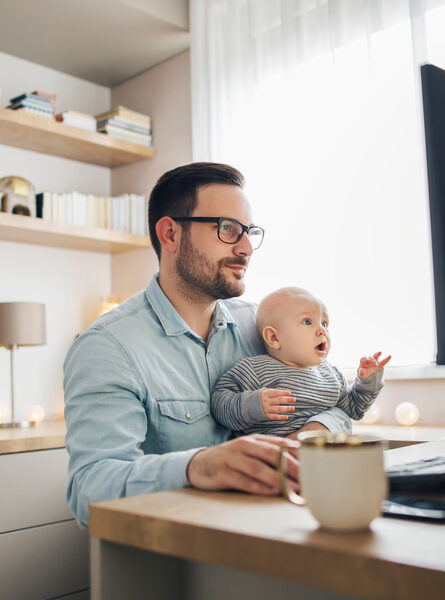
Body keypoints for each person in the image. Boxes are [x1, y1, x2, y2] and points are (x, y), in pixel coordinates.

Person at [62, 163, 352, 527]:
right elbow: (89, 490)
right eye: (227, 229)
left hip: (282, 530)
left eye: (249, 232)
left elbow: (339, 404)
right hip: (182, 551)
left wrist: (314, 432)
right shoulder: (107, 347)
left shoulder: (263, 327)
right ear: (170, 234)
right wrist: (196, 467)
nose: (246, 248)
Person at [211, 286, 390, 436]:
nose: (322, 331)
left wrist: (367, 381)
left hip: (322, 458)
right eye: (307, 322)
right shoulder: (254, 370)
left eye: (324, 323)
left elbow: (354, 409)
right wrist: (253, 404)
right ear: (273, 337)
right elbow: (219, 403)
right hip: (270, 459)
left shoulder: (332, 375)